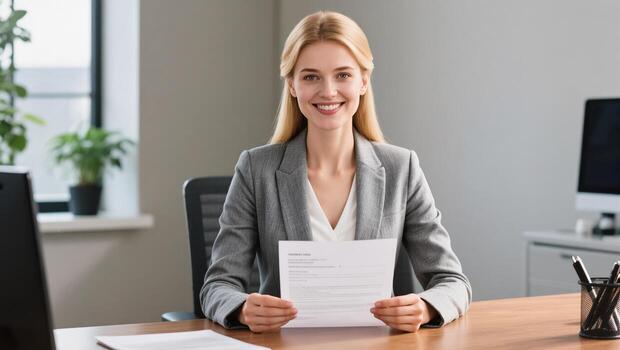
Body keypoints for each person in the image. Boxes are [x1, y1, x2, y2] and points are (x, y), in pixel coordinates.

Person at [200, 10, 471, 333]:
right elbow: (217, 285)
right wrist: (242, 309)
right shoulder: (256, 169)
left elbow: (453, 281)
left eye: (343, 75)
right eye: (311, 76)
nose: (328, 91)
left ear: (363, 81)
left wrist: (426, 307)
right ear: (292, 85)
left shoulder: (402, 168)